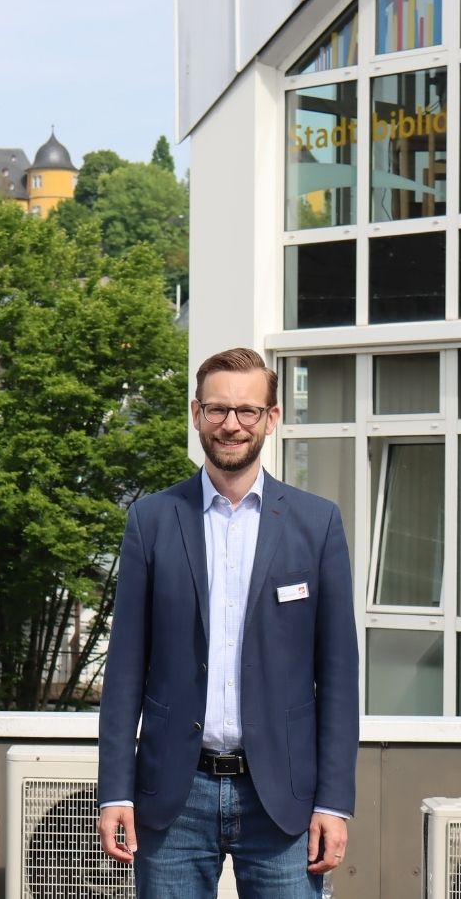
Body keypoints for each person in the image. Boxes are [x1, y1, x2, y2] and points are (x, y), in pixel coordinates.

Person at [97, 347, 359, 898]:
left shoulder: (317, 524)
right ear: (196, 415)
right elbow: (123, 672)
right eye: (217, 410)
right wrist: (114, 792)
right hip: (174, 794)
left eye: (246, 411)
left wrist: (334, 801)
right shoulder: (152, 520)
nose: (231, 424)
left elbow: (337, 678)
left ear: (271, 418)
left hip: (284, 799)